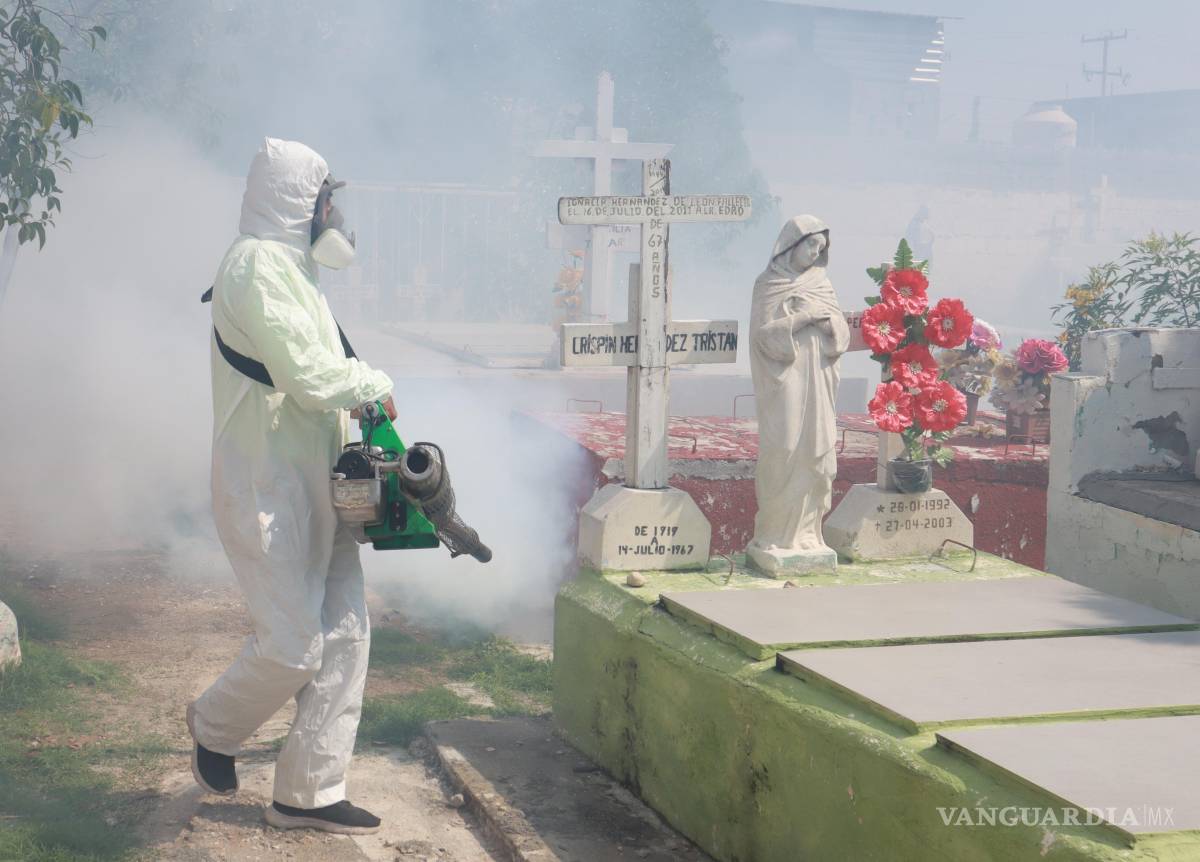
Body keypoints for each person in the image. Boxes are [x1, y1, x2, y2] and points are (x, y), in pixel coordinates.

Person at [187, 138, 395, 835]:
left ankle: (308, 793)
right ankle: (214, 726)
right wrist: (375, 384)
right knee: (292, 645)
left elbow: (315, 384)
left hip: (320, 484)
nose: (334, 213)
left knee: (345, 638)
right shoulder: (253, 266)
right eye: (327, 200)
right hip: (264, 485)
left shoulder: (298, 271)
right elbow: (308, 378)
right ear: (299, 203)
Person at [747, 216, 849, 571]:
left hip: (818, 379)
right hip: (785, 379)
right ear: (793, 242)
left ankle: (807, 533)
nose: (814, 253)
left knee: (815, 453)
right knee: (785, 446)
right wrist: (800, 321)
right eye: (811, 245)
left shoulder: (822, 283)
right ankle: (775, 533)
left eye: (820, 249)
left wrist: (828, 323)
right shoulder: (769, 284)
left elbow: (843, 336)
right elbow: (763, 337)